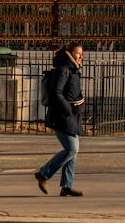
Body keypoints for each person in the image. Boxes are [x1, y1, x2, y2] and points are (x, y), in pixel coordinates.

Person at [34, 43, 86, 198]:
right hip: (62, 116)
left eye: (82, 53)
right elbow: (56, 93)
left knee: (73, 153)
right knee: (72, 149)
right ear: (70, 53)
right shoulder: (64, 69)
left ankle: (67, 186)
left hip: (72, 116)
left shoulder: (73, 69)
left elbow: (71, 92)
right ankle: (43, 174)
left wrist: (80, 101)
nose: (81, 56)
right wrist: (68, 109)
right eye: (78, 53)